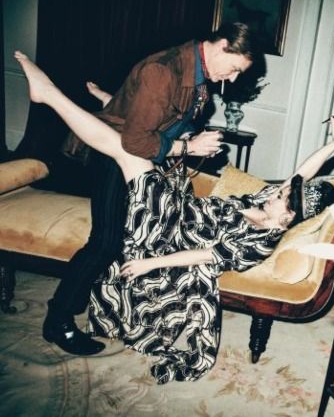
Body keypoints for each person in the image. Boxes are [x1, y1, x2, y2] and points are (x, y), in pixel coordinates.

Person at [15, 50, 334, 383]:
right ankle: (112, 105)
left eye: (283, 198)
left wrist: (149, 264)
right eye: (282, 191)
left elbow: (203, 255)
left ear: (287, 218)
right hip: (178, 208)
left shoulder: (259, 242)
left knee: (127, 152)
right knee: (147, 145)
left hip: (165, 234)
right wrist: (332, 145)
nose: (276, 192)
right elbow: (300, 175)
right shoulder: (267, 203)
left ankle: (51, 95)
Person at [41, 23, 258, 357]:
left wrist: (191, 138)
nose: (231, 79)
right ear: (222, 45)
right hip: (115, 158)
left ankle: (110, 310)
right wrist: (189, 147)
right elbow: (136, 141)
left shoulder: (197, 73)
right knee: (105, 243)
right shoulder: (164, 70)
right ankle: (58, 319)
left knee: (127, 240)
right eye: (234, 69)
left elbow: (166, 119)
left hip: (137, 158)